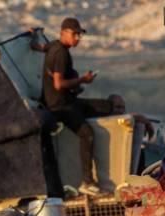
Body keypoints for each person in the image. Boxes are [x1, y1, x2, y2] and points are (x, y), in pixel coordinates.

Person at [38, 18, 111, 197]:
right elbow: (58, 84)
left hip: (64, 102)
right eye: (74, 34)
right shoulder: (61, 53)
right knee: (87, 134)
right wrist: (82, 80)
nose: (77, 38)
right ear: (63, 33)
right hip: (60, 106)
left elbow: (39, 47)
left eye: (79, 34)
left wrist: (32, 38)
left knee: (106, 106)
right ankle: (87, 182)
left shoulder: (53, 46)